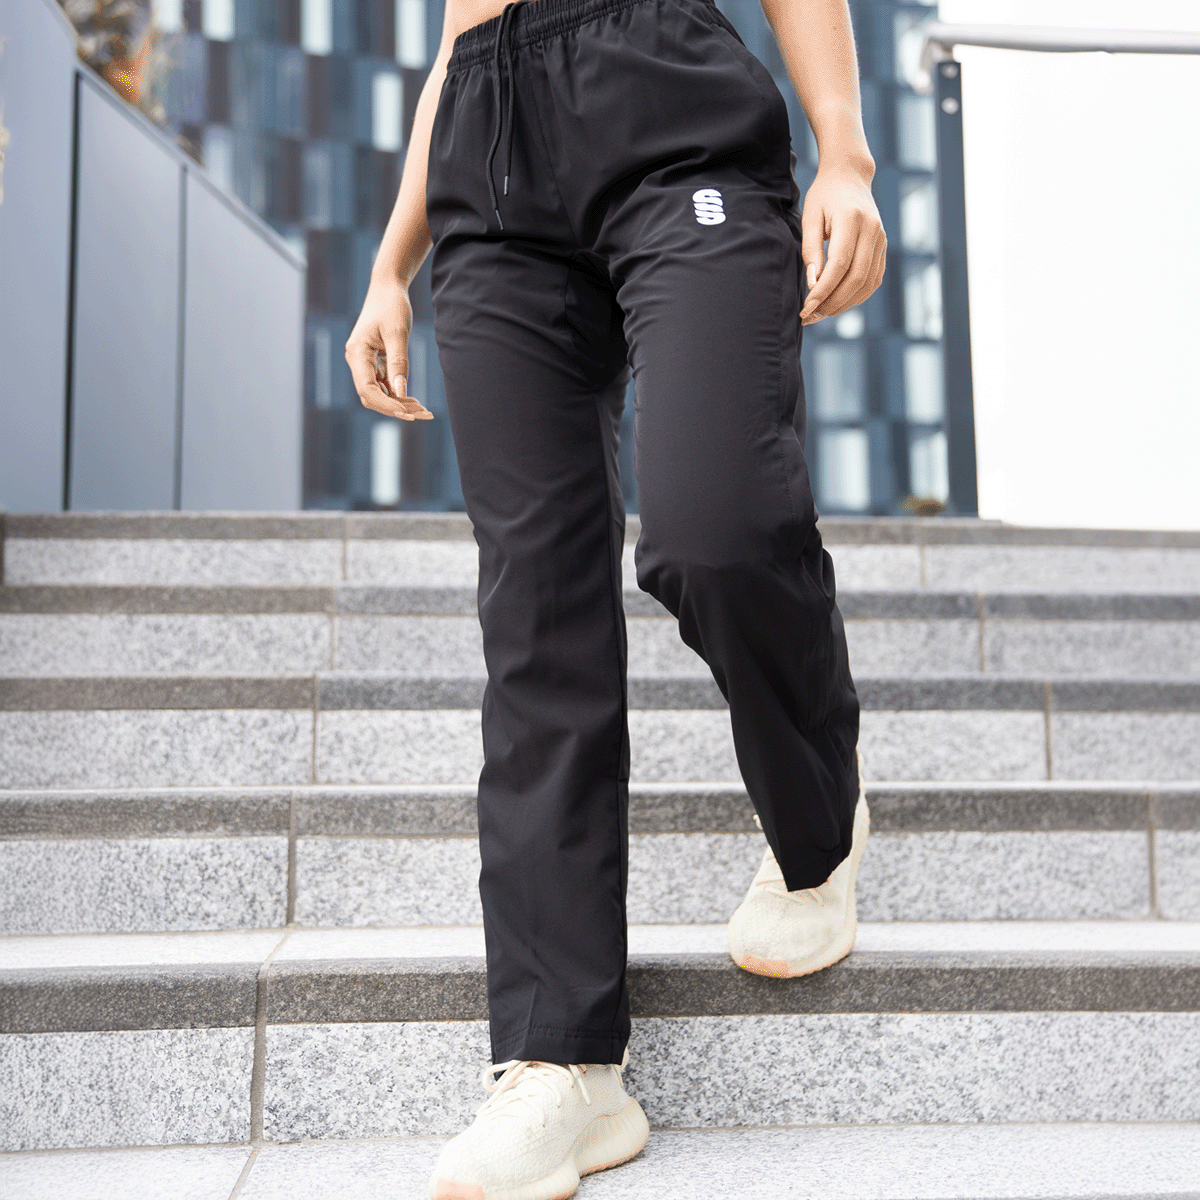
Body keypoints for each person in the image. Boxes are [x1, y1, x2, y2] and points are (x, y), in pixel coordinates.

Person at [345, 0, 885, 1193]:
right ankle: (561, 1062)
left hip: (670, 118)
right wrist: (390, 264)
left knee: (716, 528)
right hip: (486, 176)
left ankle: (818, 825)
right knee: (536, 617)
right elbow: (457, 38)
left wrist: (842, 150)